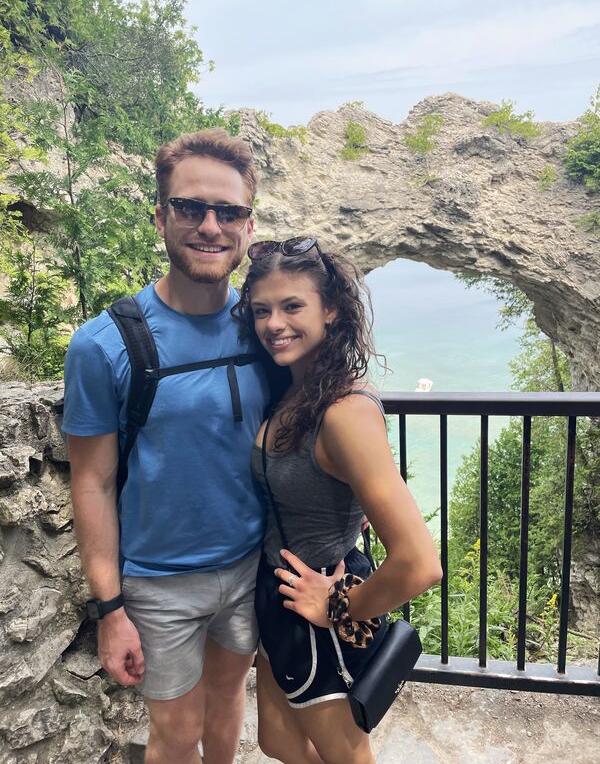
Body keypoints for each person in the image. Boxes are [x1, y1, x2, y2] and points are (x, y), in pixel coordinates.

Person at [62, 129, 269, 764]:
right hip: (158, 583)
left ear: (247, 225)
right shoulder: (104, 345)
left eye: (228, 212)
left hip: (249, 567)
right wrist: (110, 609)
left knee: (230, 699)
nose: (210, 226)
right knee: (177, 735)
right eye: (190, 208)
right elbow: (92, 482)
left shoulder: (267, 327)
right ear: (160, 217)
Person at [233, 237, 443, 764]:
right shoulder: (296, 388)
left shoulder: (343, 411)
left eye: (292, 306)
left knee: (347, 756)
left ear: (330, 310)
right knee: (277, 741)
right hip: (283, 595)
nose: (273, 324)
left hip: (315, 610)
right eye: (262, 311)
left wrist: (339, 607)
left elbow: (420, 564)